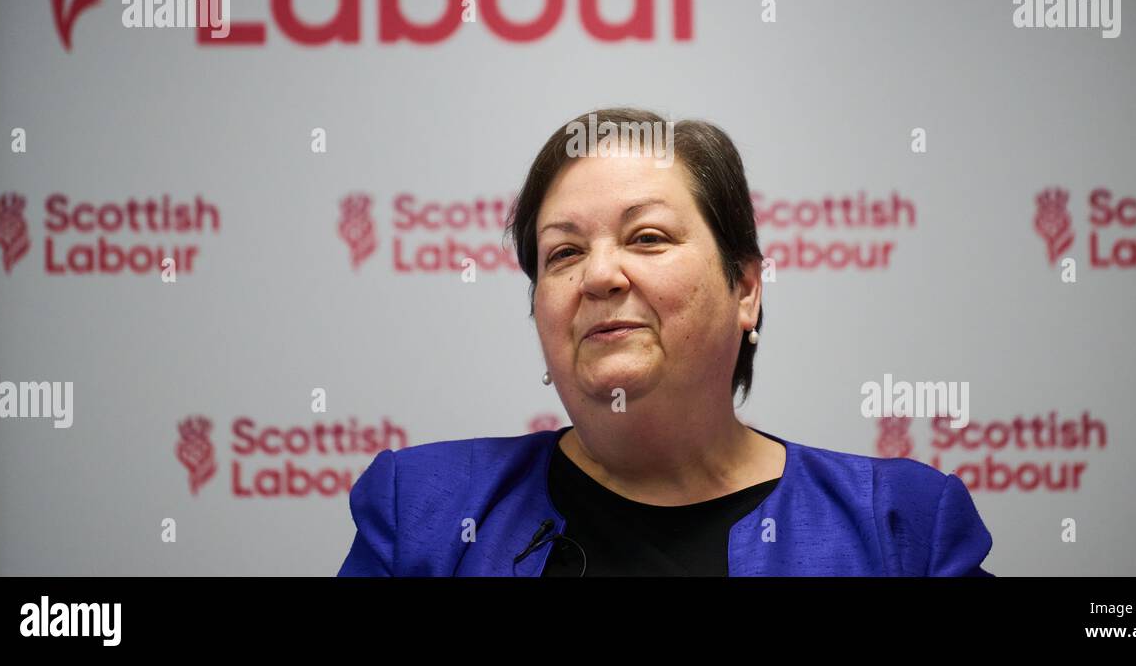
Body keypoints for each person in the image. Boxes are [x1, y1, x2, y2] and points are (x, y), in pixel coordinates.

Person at [337, 106, 995, 576]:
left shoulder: (899, 527)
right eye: (563, 252)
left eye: (647, 237)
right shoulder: (426, 510)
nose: (597, 275)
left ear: (745, 288)